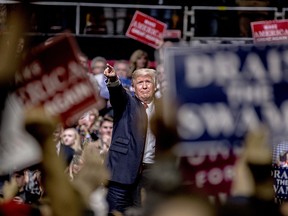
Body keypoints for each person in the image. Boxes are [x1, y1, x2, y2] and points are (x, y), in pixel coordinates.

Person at [103, 64, 158, 214]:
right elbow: (117, 93)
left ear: (155, 85)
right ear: (133, 86)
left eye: (148, 82)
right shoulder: (127, 102)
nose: (145, 86)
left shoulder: (162, 108)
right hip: (121, 173)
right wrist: (114, 79)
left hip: (149, 176)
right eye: (140, 82)